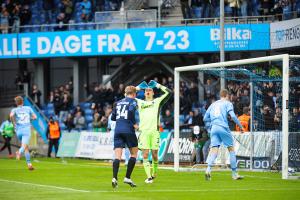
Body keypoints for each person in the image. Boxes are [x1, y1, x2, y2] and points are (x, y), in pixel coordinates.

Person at [203, 89, 244, 180]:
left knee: (214, 150)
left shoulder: (213, 104)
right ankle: (234, 174)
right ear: (227, 96)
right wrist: (241, 126)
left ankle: (208, 170)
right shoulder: (228, 103)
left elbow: (205, 118)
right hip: (223, 127)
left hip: (213, 128)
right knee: (231, 149)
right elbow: (233, 116)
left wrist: (214, 120)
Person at [136, 80, 171, 183]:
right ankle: (149, 177)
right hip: (144, 132)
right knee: (145, 154)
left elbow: (169, 92)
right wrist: (138, 88)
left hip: (154, 132)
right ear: (144, 92)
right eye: (146, 90)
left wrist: (158, 85)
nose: (148, 91)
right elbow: (127, 95)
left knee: (155, 155)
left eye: (150, 90)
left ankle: (154, 172)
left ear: (153, 92)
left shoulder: (157, 102)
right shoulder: (139, 102)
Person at [111, 86, 139, 188]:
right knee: (134, 154)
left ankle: (114, 178)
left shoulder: (117, 102)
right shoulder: (133, 101)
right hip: (128, 130)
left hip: (117, 130)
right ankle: (127, 177)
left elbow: (113, 117)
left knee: (117, 156)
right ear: (134, 94)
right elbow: (131, 111)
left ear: (125, 93)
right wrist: (134, 124)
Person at [10, 96, 37, 170]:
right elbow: (35, 117)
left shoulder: (14, 109)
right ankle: (19, 152)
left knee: (26, 147)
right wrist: (30, 119)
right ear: (23, 102)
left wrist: (14, 124)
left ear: (16, 103)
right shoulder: (28, 108)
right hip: (26, 130)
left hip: (18, 131)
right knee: (24, 147)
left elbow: (11, 116)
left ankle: (29, 165)